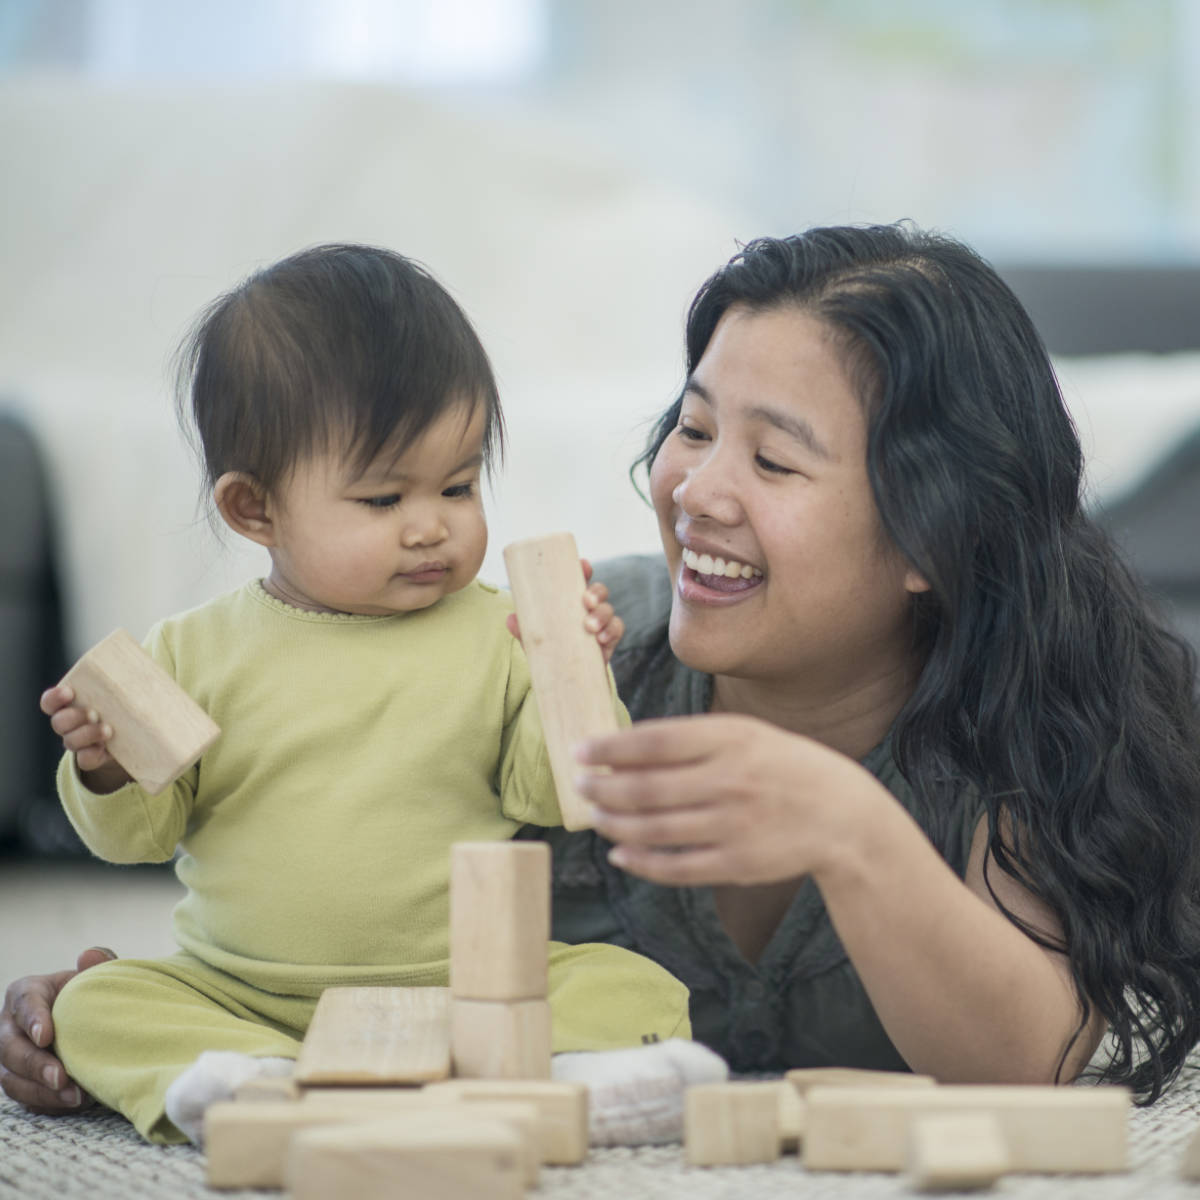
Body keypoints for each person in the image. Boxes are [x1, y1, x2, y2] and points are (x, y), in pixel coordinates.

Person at [7, 223, 1200, 1118]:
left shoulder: (1025, 713)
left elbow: (1031, 1068)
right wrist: (189, 995)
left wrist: (852, 829)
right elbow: (309, 823)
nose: (697, 491)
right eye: (691, 427)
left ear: (933, 537)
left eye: (774, 463)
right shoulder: (574, 644)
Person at [8, 243, 712, 1147]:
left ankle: (563, 1074)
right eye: (384, 500)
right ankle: (242, 1081)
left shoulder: (496, 630)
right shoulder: (191, 651)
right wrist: (102, 768)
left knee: (632, 984)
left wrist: (567, 672)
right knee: (102, 1003)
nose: (433, 526)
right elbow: (137, 840)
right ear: (254, 511)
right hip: (248, 994)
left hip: (467, 986)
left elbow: (554, 798)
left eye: (458, 485)